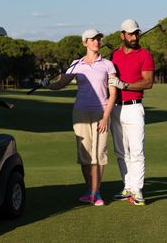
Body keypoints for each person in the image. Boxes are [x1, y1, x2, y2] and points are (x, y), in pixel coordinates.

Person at [41, 29, 117, 206]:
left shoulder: (107, 64)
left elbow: (112, 93)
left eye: (98, 39)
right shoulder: (76, 64)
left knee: (99, 154)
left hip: (101, 112)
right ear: (85, 43)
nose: (97, 42)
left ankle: (96, 192)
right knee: (85, 154)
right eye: (92, 39)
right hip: (81, 112)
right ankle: (89, 190)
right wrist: (47, 85)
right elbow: (61, 83)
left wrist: (106, 117)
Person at [109, 19, 155, 206]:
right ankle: (127, 186)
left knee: (137, 151)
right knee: (121, 152)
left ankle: (137, 190)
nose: (135, 37)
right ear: (122, 35)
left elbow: (148, 82)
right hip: (115, 108)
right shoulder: (113, 55)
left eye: (136, 33)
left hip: (134, 107)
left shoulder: (145, 54)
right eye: (130, 34)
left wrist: (125, 85)